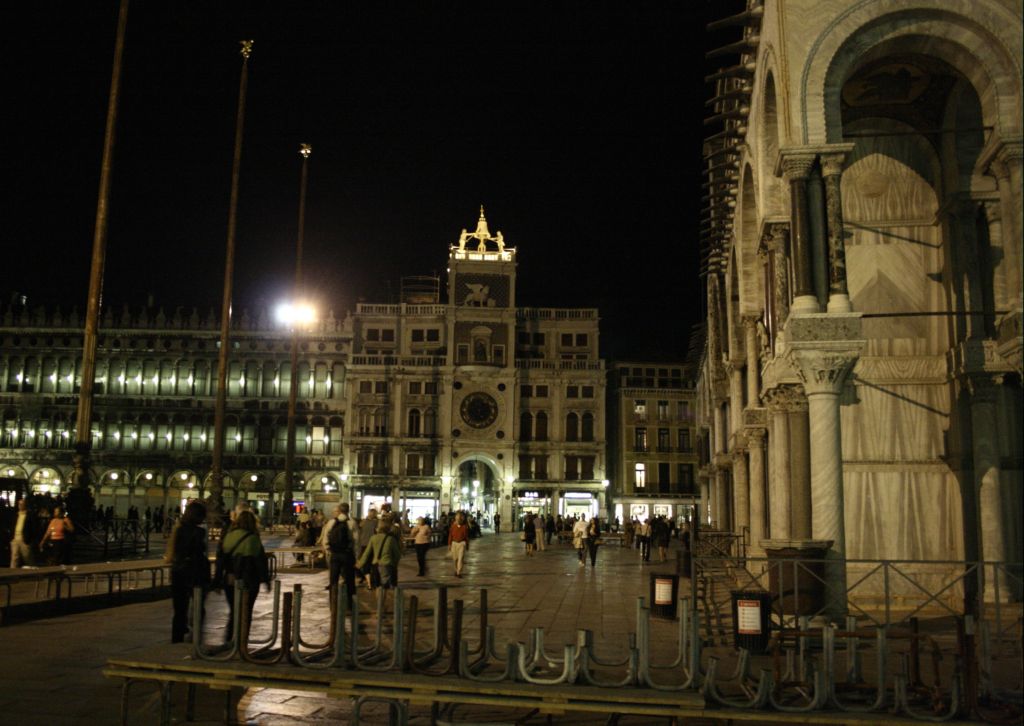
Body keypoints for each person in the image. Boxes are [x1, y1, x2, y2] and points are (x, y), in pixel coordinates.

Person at [215, 510, 271, 639]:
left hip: (230, 579)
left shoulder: (229, 536)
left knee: (234, 610)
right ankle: (242, 641)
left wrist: (217, 580)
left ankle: (229, 639)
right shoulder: (253, 539)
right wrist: (266, 580)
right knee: (246, 611)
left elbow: (221, 560)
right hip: (249, 581)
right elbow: (260, 562)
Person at [166, 500, 210, 643]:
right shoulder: (199, 532)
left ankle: (176, 639)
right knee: (198, 606)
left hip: (178, 572)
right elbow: (199, 552)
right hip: (195, 572)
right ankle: (196, 636)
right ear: (197, 516)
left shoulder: (178, 528)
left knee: (179, 610)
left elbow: (173, 553)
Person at [322, 503, 356, 606]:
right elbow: (356, 541)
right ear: (348, 510)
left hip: (335, 554)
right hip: (347, 554)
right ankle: (349, 603)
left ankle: (333, 602)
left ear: (339, 511)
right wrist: (356, 556)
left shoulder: (331, 522)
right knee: (349, 579)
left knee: (333, 579)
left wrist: (328, 550)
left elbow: (325, 538)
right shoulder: (352, 523)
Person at [357, 518, 401, 590]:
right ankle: (383, 600)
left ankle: (379, 600)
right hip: (387, 564)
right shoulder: (391, 539)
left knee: (377, 586)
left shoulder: (373, 538)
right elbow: (397, 554)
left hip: (375, 565)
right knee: (385, 586)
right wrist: (394, 563)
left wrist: (360, 563)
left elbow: (367, 553)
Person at [9, 499, 38, 568]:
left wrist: (30, 539)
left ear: (25, 505)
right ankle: (12, 575)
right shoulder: (16, 515)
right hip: (15, 538)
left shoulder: (29, 515)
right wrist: (11, 538)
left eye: (22, 504)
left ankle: (32, 573)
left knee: (27, 557)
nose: (20, 506)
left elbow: (33, 527)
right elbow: (12, 525)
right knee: (14, 558)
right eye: (19, 504)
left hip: (24, 539)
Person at [447, 511, 470, 577]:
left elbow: (466, 536)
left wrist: (467, 544)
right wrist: (449, 544)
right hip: (454, 543)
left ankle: (459, 572)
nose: (459, 519)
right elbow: (450, 535)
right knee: (455, 559)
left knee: (460, 558)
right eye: (457, 517)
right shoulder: (453, 526)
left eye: (460, 518)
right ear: (455, 518)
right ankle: (456, 569)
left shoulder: (464, 527)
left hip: (462, 543)